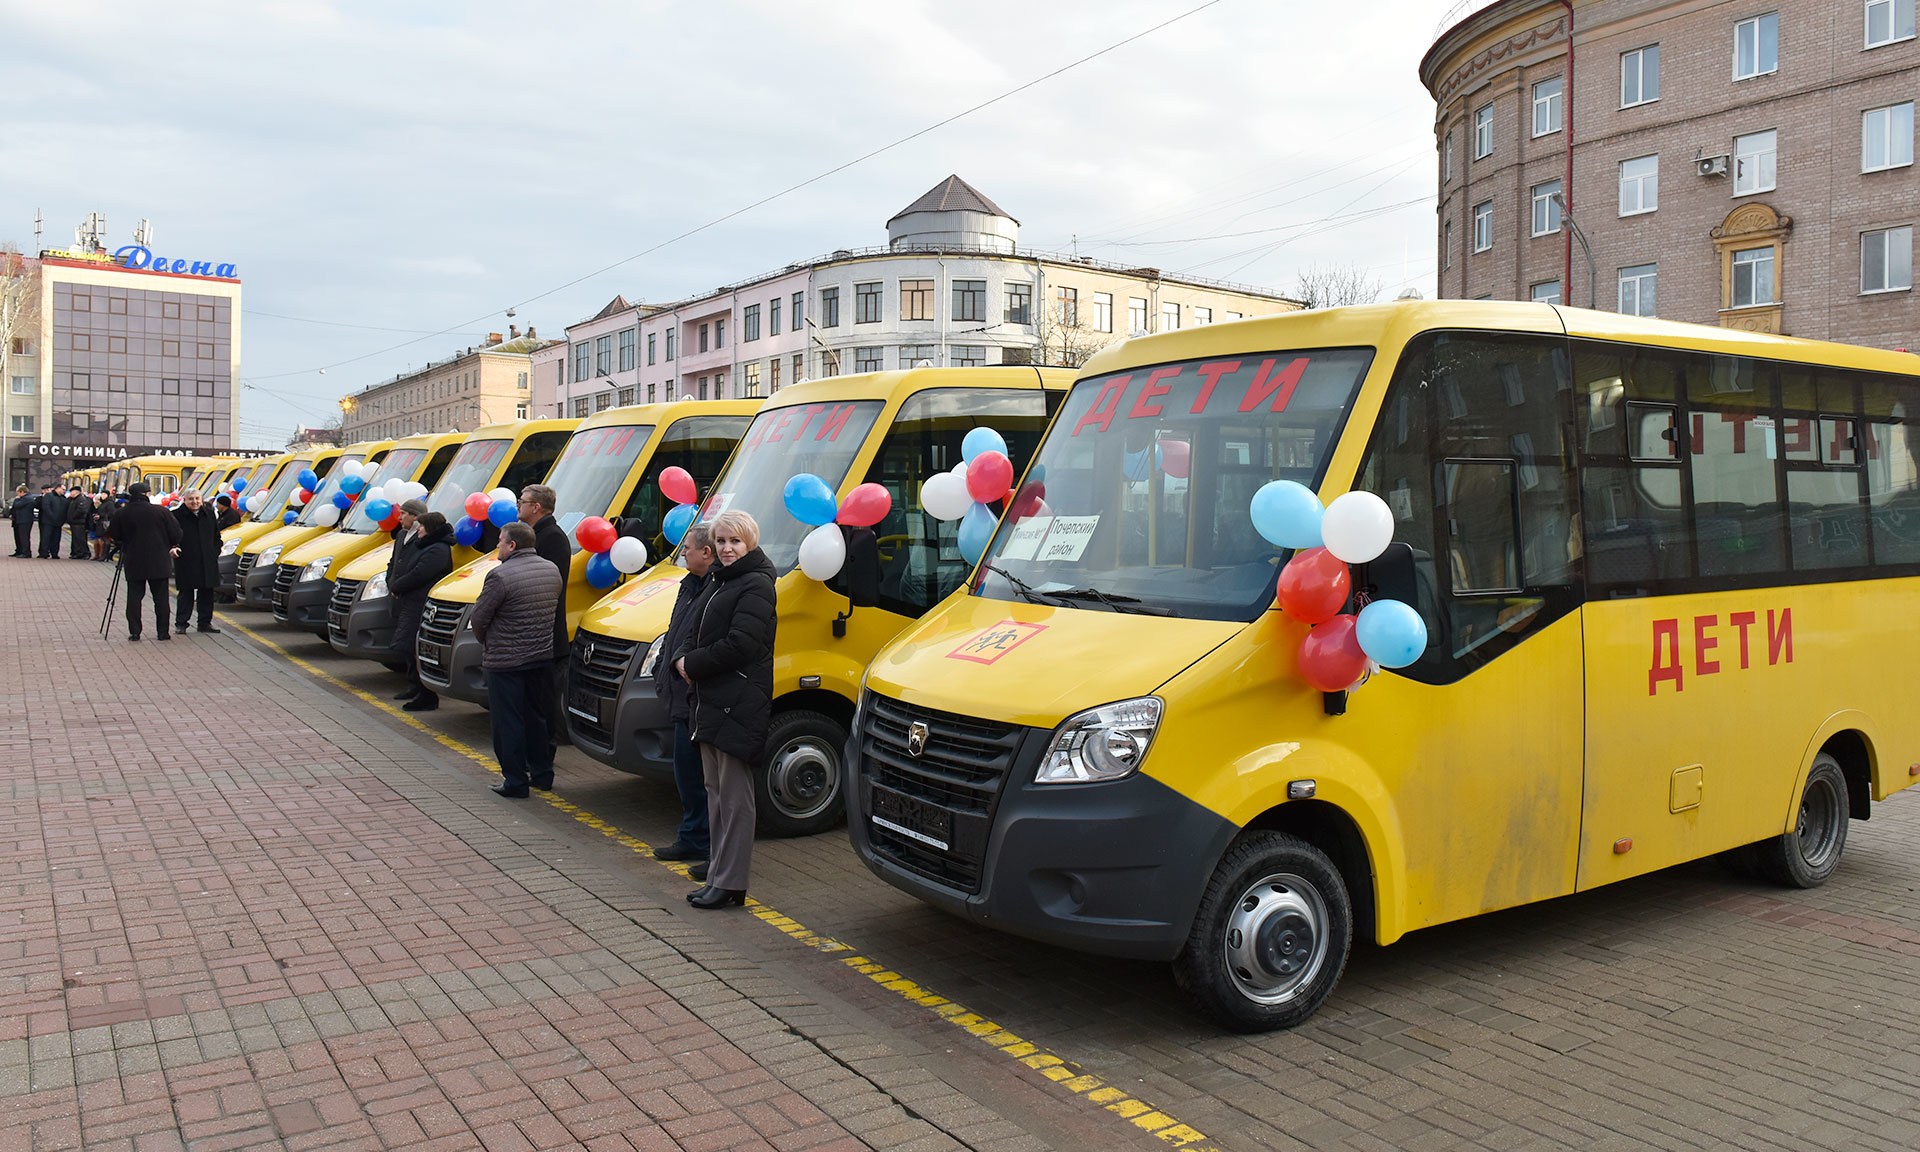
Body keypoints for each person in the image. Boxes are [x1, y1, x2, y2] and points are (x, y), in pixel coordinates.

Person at [673, 510, 777, 909]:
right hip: (712, 699)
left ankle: (731, 883)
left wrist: (691, 664)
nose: (727, 548)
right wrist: (680, 656)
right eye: (721, 541)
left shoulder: (756, 584)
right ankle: (718, 874)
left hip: (736, 701)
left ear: (749, 542)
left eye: (734, 541)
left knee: (734, 799)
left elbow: (741, 645)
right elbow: (692, 630)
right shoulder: (721, 580)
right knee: (716, 793)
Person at [470, 521, 563, 798]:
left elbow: (479, 618)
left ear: (512, 545)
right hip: (540, 656)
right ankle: (542, 774)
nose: (497, 545)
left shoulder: (500, 575)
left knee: (507, 722)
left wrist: (488, 640)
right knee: (537, 718)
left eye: (500, 541)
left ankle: (515, 780)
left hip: (506, 660)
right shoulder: (551, 570)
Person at [651, 523, 716, 864]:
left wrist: (681, 665)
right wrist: (662, 663)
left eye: (687, 548)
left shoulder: (717, 589)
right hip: (678, 692)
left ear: (707, 553)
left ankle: (701, 841)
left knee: (696, 775)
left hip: (696, 696)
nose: (682, 553)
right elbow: (676, 631)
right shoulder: (688, 585)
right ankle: (692, 837)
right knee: (685, 772)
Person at [519, 483, 573, 749]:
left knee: (543, 700)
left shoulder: (552, 537)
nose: (518, 505)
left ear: (536, 507)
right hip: (534, 634)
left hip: (544, 634)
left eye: (522, 501)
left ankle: (544, 752)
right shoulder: (535, 534)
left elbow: (547, 587)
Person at [389, 503, 453, 712]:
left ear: (430, 528)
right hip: (410, 600)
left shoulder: (438, 550)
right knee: (409, 647)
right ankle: (416, 688)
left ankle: (426, 696)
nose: (418, 529)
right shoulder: (422, 544)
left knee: (414, 647)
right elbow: (399, 564)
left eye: (422, 526)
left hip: (421, 603)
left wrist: (398, 586)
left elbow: (419, 573)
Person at [108, 482, 183, 641]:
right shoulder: (161, 511)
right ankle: (163, 632)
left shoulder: (122, 513)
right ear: (147, 494)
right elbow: (176, 533)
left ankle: (135, 632)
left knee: (134, 598)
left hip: (134, 560)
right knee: (161, 599)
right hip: (159, 560)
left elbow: (114, 534)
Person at [171, 488, 222, 633]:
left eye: (197, 499)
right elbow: (170, 536)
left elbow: (216, 536)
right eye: (191, 499)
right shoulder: (176, 515)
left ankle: (205, 623)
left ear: (201, 500)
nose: (194, 502)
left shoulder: (209, 514)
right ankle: (181, 624)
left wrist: (214, 551)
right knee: (186, 593)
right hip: (186, 560)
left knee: (207, 592)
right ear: (184, 500)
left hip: (207, 560)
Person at [36, 484, 67, 559]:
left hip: (58, 522)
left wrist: (62, 519)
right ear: (58, 488)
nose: (64, 491)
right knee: (46, 537)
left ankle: (54, 553)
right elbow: (46, 507)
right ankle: (44, 553)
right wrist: (52, 516)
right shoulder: (49, 496)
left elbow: (65, 510)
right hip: (48, 522)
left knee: (56, 539)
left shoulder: (63, 498)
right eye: (63, 489)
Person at [65, 487, 92, 558]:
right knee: (76, 539)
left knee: (80, 539)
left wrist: (73, 517)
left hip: (79, 522)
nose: (70, 494)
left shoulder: (81, 499)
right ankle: (77, 552)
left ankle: (83, 553)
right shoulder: (73, 500)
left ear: (76, 492)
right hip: (74, 522)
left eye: (71, 492)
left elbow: (81, 510)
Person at [9, 485, 34, 557]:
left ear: (22, 492)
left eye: (18, 492)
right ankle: (19, 551)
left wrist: (17, 499)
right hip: (19, 520)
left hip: (25, 520)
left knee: (24, 537)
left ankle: (26, 552)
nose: (17, 494)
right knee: (18, 537)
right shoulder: (23, 498)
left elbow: (17, 505)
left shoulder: (27, 498)